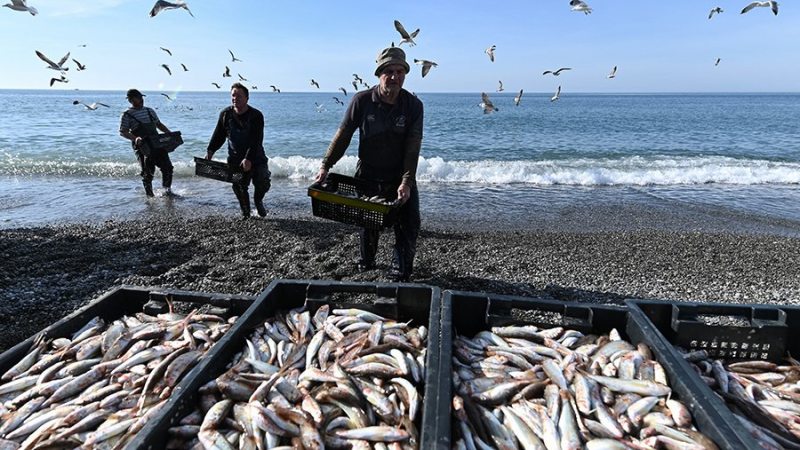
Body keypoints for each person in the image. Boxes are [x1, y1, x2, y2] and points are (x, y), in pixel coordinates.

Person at [316, 47, 424, 282]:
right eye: (389, 71)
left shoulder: (414, 106)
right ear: (378, 74)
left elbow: (412, 147)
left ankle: (400, 271)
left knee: (410, 224)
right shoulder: (362, 100)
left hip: (399, 175)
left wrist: (406, 182)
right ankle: (367, 263)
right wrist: (326, 165)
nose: (395, 77)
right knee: (369, 224)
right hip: (368, 174)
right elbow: (343, 135)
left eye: (400, 71)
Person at [206, 83, 272, 218]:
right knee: (239, 186)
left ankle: (258, 201)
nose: (235, 98)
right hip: (235, 157)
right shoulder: (225, 114)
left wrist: (248, 158)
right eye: (233, 95)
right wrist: (210, 151)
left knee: (263, 182)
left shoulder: (256, 115)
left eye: (239, 96)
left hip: (256, 156)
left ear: (247, 98)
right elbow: (219, 135)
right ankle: (246, 213)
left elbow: (256, 139)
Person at [119, 88, 174, 197]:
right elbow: (123, 131)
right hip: (142, 146)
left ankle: (167, 192)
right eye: (138, 97)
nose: (141, 99)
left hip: (157, 143)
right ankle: (150, 196)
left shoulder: (149, 111)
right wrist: (135, 138)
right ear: (130, 100)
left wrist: (168, 133)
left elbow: (159, 124)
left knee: (168, 168)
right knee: (148, 172)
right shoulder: (127, 114)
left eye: (141, 97)